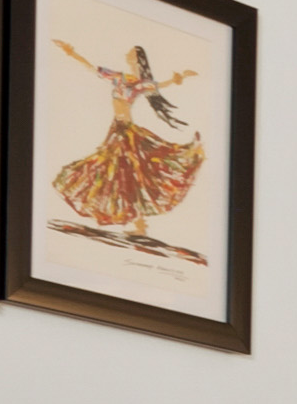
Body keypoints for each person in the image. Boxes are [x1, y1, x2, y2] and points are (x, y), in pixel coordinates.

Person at [47, 33, 206, 254]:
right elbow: (91, 68)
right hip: (118, 131)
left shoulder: (141, 84)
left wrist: (179, 78)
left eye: (130, 54)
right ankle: (139, 225)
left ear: (137, 60)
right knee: (125, 175)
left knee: (129, 174)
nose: (126, 55)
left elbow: (161, 85)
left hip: (126, 133)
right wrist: (71, 52)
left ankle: (138, 224)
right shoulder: (118, 78)